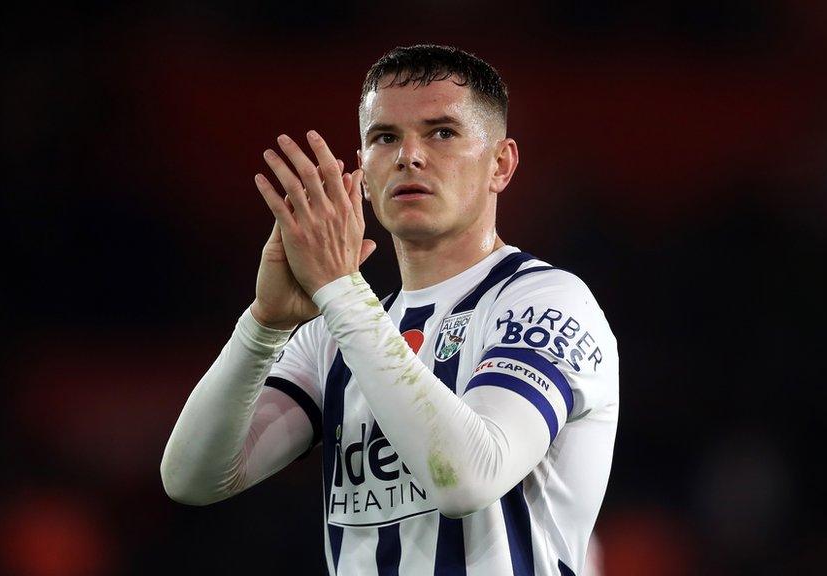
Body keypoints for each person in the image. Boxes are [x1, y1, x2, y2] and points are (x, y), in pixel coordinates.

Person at [160, 44, 619, 576]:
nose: (410, 156)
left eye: (442, 132)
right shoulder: (333, 336)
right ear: (363, 172)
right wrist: (264, 324)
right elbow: (192, 478)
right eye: (385, 138)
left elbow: (469, 477)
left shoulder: (547, 301)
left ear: (502, 163)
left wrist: (340, 290)